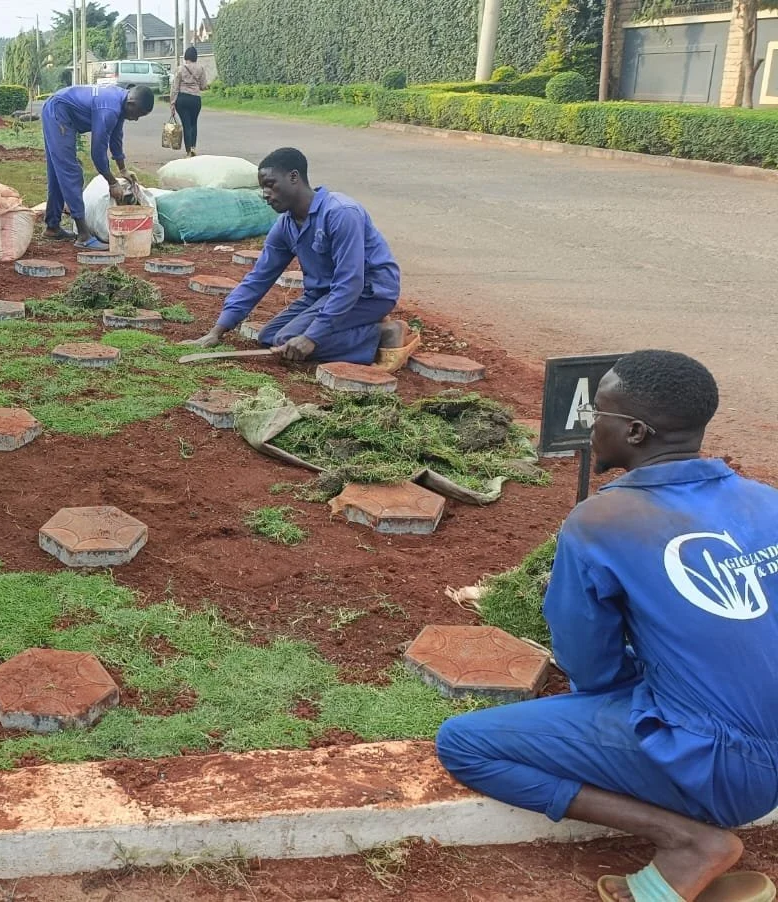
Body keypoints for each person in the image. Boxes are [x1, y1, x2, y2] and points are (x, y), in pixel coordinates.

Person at [436, 350, 778, 902]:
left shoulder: (602, 520)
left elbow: (590, 665)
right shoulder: (767, 501)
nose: (593, 427)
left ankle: (689, 842)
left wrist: (620, 699)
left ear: (635, 431)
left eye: (600, 416)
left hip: (721, 770)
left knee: (464, 744)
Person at [182, 147, 401, 364]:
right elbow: (259, 277)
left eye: (270, 184)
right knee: (269, 338)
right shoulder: (285, 225)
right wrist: (217, 331)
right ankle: (360, 324)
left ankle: (381, 334)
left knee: (289, 341)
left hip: (369, 292)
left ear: (293, 177)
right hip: (323, 294)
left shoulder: (341, 213)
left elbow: (350, 282)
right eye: (262, 188)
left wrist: (312, 337)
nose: (265, 194)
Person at [40, 83, 157, 250]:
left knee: (58, 172)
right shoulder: (110, 109)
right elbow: (97, 152)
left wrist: (123, 169)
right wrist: (112, 182)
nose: (136, 119)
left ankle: (52, 227)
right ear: (131, 103)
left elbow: (116, 139)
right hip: (58, 112)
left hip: (59, 109)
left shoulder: (120, 103)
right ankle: (83, 235)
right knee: (71, 172)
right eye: (137, 114)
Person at [172, 47, 209, 156]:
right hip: (195, 99)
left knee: (186, 125)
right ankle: (193, 147)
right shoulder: (201, 69)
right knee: (194, 124)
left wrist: (172, 103)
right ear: (195, 57)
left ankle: (188, 151)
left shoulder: (180, 69)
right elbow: (203, 86)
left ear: (186, 56)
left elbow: (175, 88)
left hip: (182, 99)